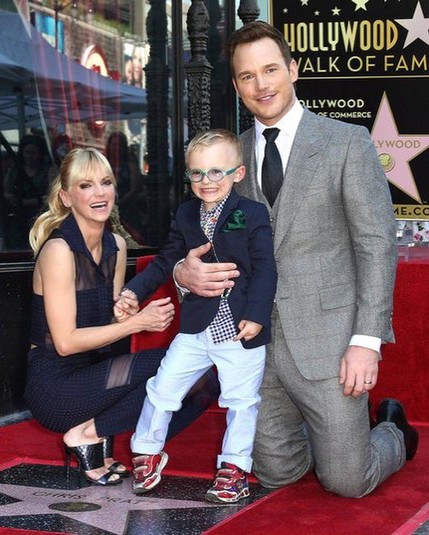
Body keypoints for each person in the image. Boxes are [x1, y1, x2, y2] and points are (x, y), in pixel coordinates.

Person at [173, 21, 418, 498]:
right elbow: (196, 236)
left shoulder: (346, 142)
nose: (261, 85)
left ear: (293, 69)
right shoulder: (228, 154)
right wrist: (185, 273)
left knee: (347, 480)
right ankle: (318, 435)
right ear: (236, 85)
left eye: (270, 70)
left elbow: (375, 244)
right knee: (276, 475)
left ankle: (392, 430)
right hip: (253, 344)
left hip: (329, 341)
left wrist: (366, 341)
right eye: (247, 76)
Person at [24, 147, 218, 487]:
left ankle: (93, 431)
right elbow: (65, 343)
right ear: (66, 197)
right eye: (86, 186)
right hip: (56, 386)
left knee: (199, 373)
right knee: (181, 365)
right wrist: (136, 323)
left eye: (106, 182)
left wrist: (123, 314)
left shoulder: (116, 245)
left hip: (97, 375)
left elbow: (111, 329)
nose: (99, 193)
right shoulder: (59, 251)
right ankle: (87, 433)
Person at [115, 129, 277, 503]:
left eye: (217, 171)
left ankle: (234, 470)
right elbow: (165, 261)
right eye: (197, 173)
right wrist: (133, 291)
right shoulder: (186, 213)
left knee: (241, 401)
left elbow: (266, 268)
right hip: (196, 328)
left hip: (239, 329)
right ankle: (147, 451)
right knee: (162, 387)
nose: (207, 181)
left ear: (238, 173)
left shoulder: (252, 213)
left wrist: (257, 315)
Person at [4, 134, 53, 249]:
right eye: (27, 152)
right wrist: (16, 202)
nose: (30, 156)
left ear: (40, 153)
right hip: (17, 221)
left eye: (33, 153)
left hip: (41, 219)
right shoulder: (15, 171)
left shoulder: (49, 171)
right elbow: (7, 193)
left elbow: (52, 195)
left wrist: (30, 202)